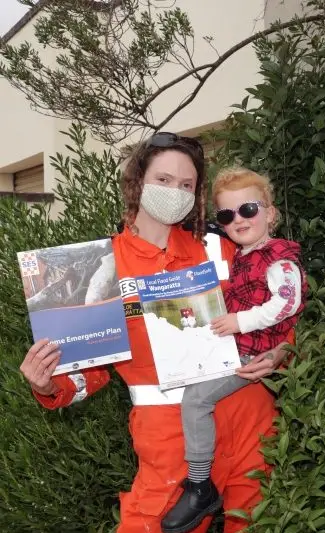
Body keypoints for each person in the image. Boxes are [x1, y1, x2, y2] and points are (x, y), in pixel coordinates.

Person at [18, 132, 291, 533]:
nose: (175, 192)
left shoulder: (220, 249)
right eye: (164, 180)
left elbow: (281, 318)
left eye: (187, 185)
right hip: (168, 440)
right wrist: (47, 383)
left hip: (250, 423)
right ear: (137, 182)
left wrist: (280, 353)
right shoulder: (103, 266)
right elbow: (89, 370)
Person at [162, 167, 307, 532]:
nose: (238, 220)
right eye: (227, 215)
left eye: (248, 210)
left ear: (270, 213)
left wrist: (240, 322)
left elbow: (287, 304)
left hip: (251, 352)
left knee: (196, 401)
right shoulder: (244, 256)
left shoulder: (278, 258)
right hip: (238, 350)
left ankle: (199, 484)